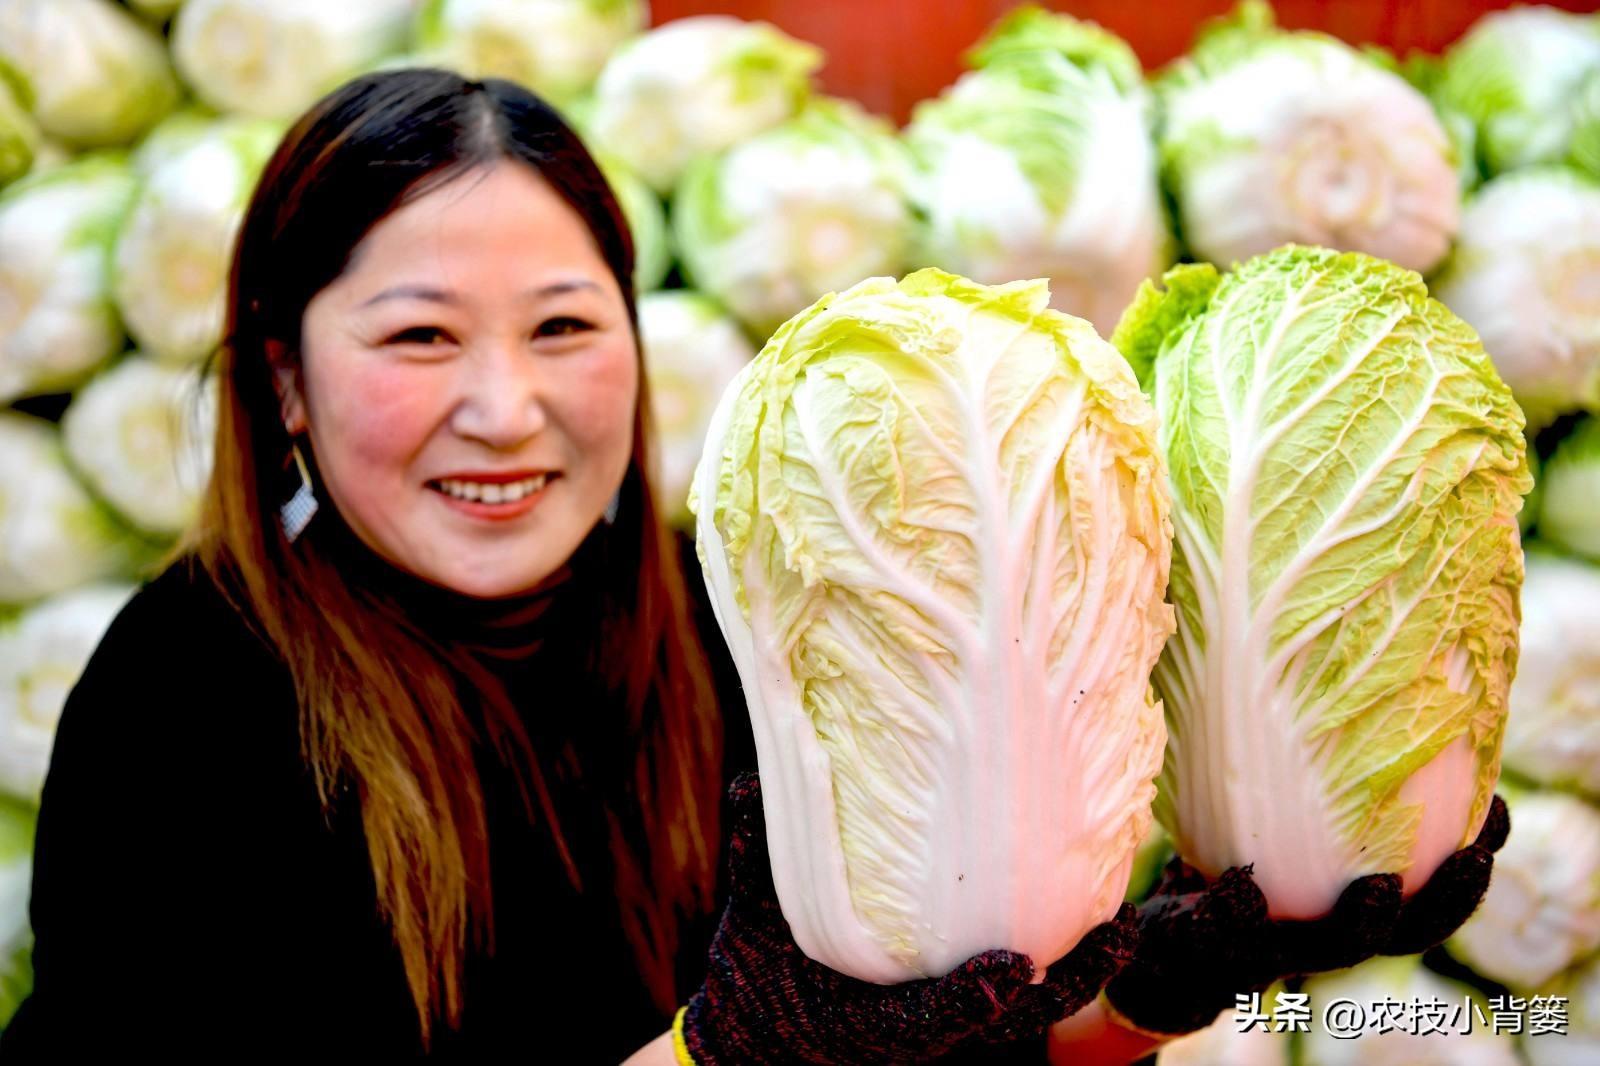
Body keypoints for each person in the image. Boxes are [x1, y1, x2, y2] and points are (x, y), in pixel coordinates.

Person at [0, 68, 1507, 1065]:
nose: (507, 407)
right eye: (418, 335)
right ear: (283, 379)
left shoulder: (747, 604)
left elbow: (957, 1036)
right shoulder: (185, 697)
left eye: (565, 328)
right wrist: (719, 1053)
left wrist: (1161, 994)